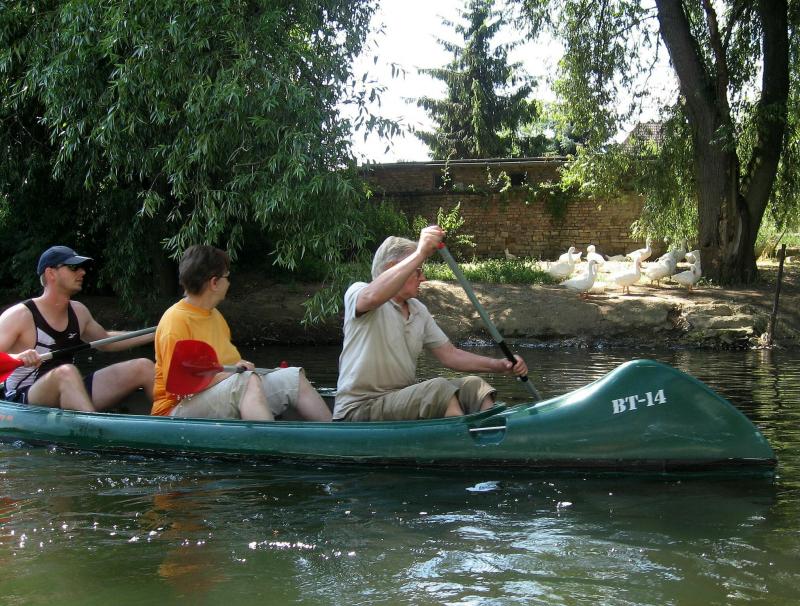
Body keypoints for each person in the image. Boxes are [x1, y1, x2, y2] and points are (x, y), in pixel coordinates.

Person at [333, 225, 529, 422]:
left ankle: (493, 432)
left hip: (399, 400)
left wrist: (500, 365)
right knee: (438, 390)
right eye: (418, 271)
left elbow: (450, 355)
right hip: (358, 409)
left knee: (474, 387)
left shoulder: (418, 310)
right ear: (393, 268)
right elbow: (371, 297)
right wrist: (420, 252)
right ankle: (462, 437)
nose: (423, 278)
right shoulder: (359, 291)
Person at [151, 244, 331, 421]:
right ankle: (268, 440)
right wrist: (233, 374)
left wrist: (258, 374)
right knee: (245, 381)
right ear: (214, 283)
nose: (229, 282)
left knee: (292, 377)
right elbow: (179, 389)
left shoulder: (215, 316)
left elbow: (230, 371)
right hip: (175, 412)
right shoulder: (175, 321)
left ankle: (335, 435)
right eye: (227, 277)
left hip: (226, 390)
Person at [0, 245, 155, 412]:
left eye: (81, 268)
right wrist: (17, 357)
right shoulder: (20, 315)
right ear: (51, 273)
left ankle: (173, 421)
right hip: (22, 399)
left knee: (144, 366)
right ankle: (92, 427)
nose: (82, 272)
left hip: (69, 387)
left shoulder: (79, 311)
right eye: (73, 267)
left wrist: (156, 333)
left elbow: (106, 340)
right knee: (66, 372)